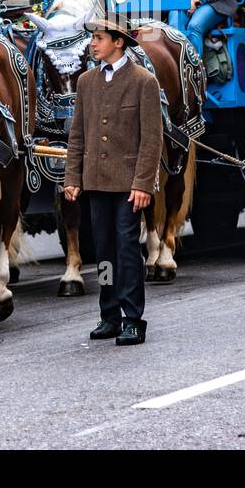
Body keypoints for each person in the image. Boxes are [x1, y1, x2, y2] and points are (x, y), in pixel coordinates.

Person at [62, 17, 163, 347]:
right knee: (103, 251)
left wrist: (143, 184)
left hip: (129, 184)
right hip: (96, 181)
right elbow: (77, 134)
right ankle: (109, 315)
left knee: (127, 250)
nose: (93, 43)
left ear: (118, 42)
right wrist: (73, 177)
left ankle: (133, 319)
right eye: (93, 38)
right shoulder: (86, 82)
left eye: (99, 38)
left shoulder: (143, 81)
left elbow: (151, 139)